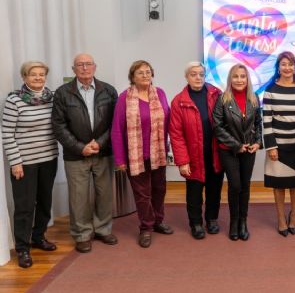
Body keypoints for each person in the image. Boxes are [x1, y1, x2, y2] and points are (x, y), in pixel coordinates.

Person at [52, 54, 118, 253]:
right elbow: (58, 125)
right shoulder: (63, 93)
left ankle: (103, 229)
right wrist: (80, 147)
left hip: (103, 151)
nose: (84, 68)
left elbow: (115, 123)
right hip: (76, 154)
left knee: (104, 193)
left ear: (95, 67)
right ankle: (81, 234)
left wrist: (99, 143)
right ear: (73, 69)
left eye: (88, 64)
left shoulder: (108, 90)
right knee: (78, 197)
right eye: (80, 65)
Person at [2, 61, 59, 268]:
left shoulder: (52, 98)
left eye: (41, 74)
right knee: (25, 207)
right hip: (24, 163)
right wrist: (15, 162)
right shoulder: (14, 100)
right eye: (33, 75)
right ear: (24, 77)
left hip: (49, 158)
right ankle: (23, 248)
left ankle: (38, 237)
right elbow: (7, 133)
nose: (38, 78)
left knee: (44, 202)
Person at [111, 60, 173, 248]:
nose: (145, 75)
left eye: (148, 72)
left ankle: (158, 221)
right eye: (140, 73)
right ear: (132, 77)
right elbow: (116, 129)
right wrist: (120, 159)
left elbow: (169, 121)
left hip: (159, 154)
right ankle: (146, 227)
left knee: (159, 190)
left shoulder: (160, 93)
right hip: (135, 156)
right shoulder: (124, 98)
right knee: (142, 194)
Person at [169, 62, 224, 240]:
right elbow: (176, 134)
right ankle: (196, 223)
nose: (198, 77)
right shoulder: (179, 101)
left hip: (215, 153)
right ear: (187, 77)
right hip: (192, 157)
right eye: (193, 74)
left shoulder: (216, 94)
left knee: (214, 189)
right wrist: (182, 161)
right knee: (194, 192)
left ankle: (212, 220)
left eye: (201, 74)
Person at [263, 52, 295, 237]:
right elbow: (266, 121)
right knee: (279, 184)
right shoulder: (270, 89)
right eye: (283, 64)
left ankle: (294, 217)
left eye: (290, 64)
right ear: (278, 67)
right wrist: (271, 147)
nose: (287, 68)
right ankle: (281, 219)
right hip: (278, 146)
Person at [212, 63, 262, 241]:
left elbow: (258, 124)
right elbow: (217, 127)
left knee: (245, 186)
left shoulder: (254, 98)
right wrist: (236, 145)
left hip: (249, 150)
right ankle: (234, 222)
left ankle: (243, 221)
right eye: (235, 76)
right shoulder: (223, 99)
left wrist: (258, 142)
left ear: (247, 79)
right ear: (230, 79)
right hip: (229, 150)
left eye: (242, 76)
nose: (239, 80)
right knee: (235, 185)